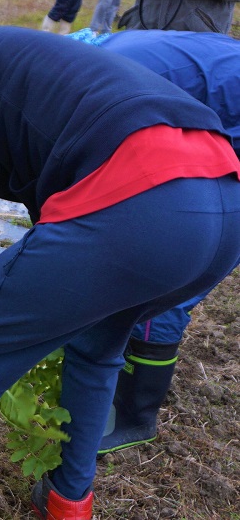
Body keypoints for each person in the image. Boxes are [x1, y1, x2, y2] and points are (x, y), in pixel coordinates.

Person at [0, 25, 240, 520]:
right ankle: (68, 499)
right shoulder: (47, 77)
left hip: (145, 202)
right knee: (97, 343)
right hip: (224, 208)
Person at [68, 28, 240, 453]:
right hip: (225, 110)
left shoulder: (107, 77)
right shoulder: (110, 55)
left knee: (172, 271)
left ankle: (135, 416)